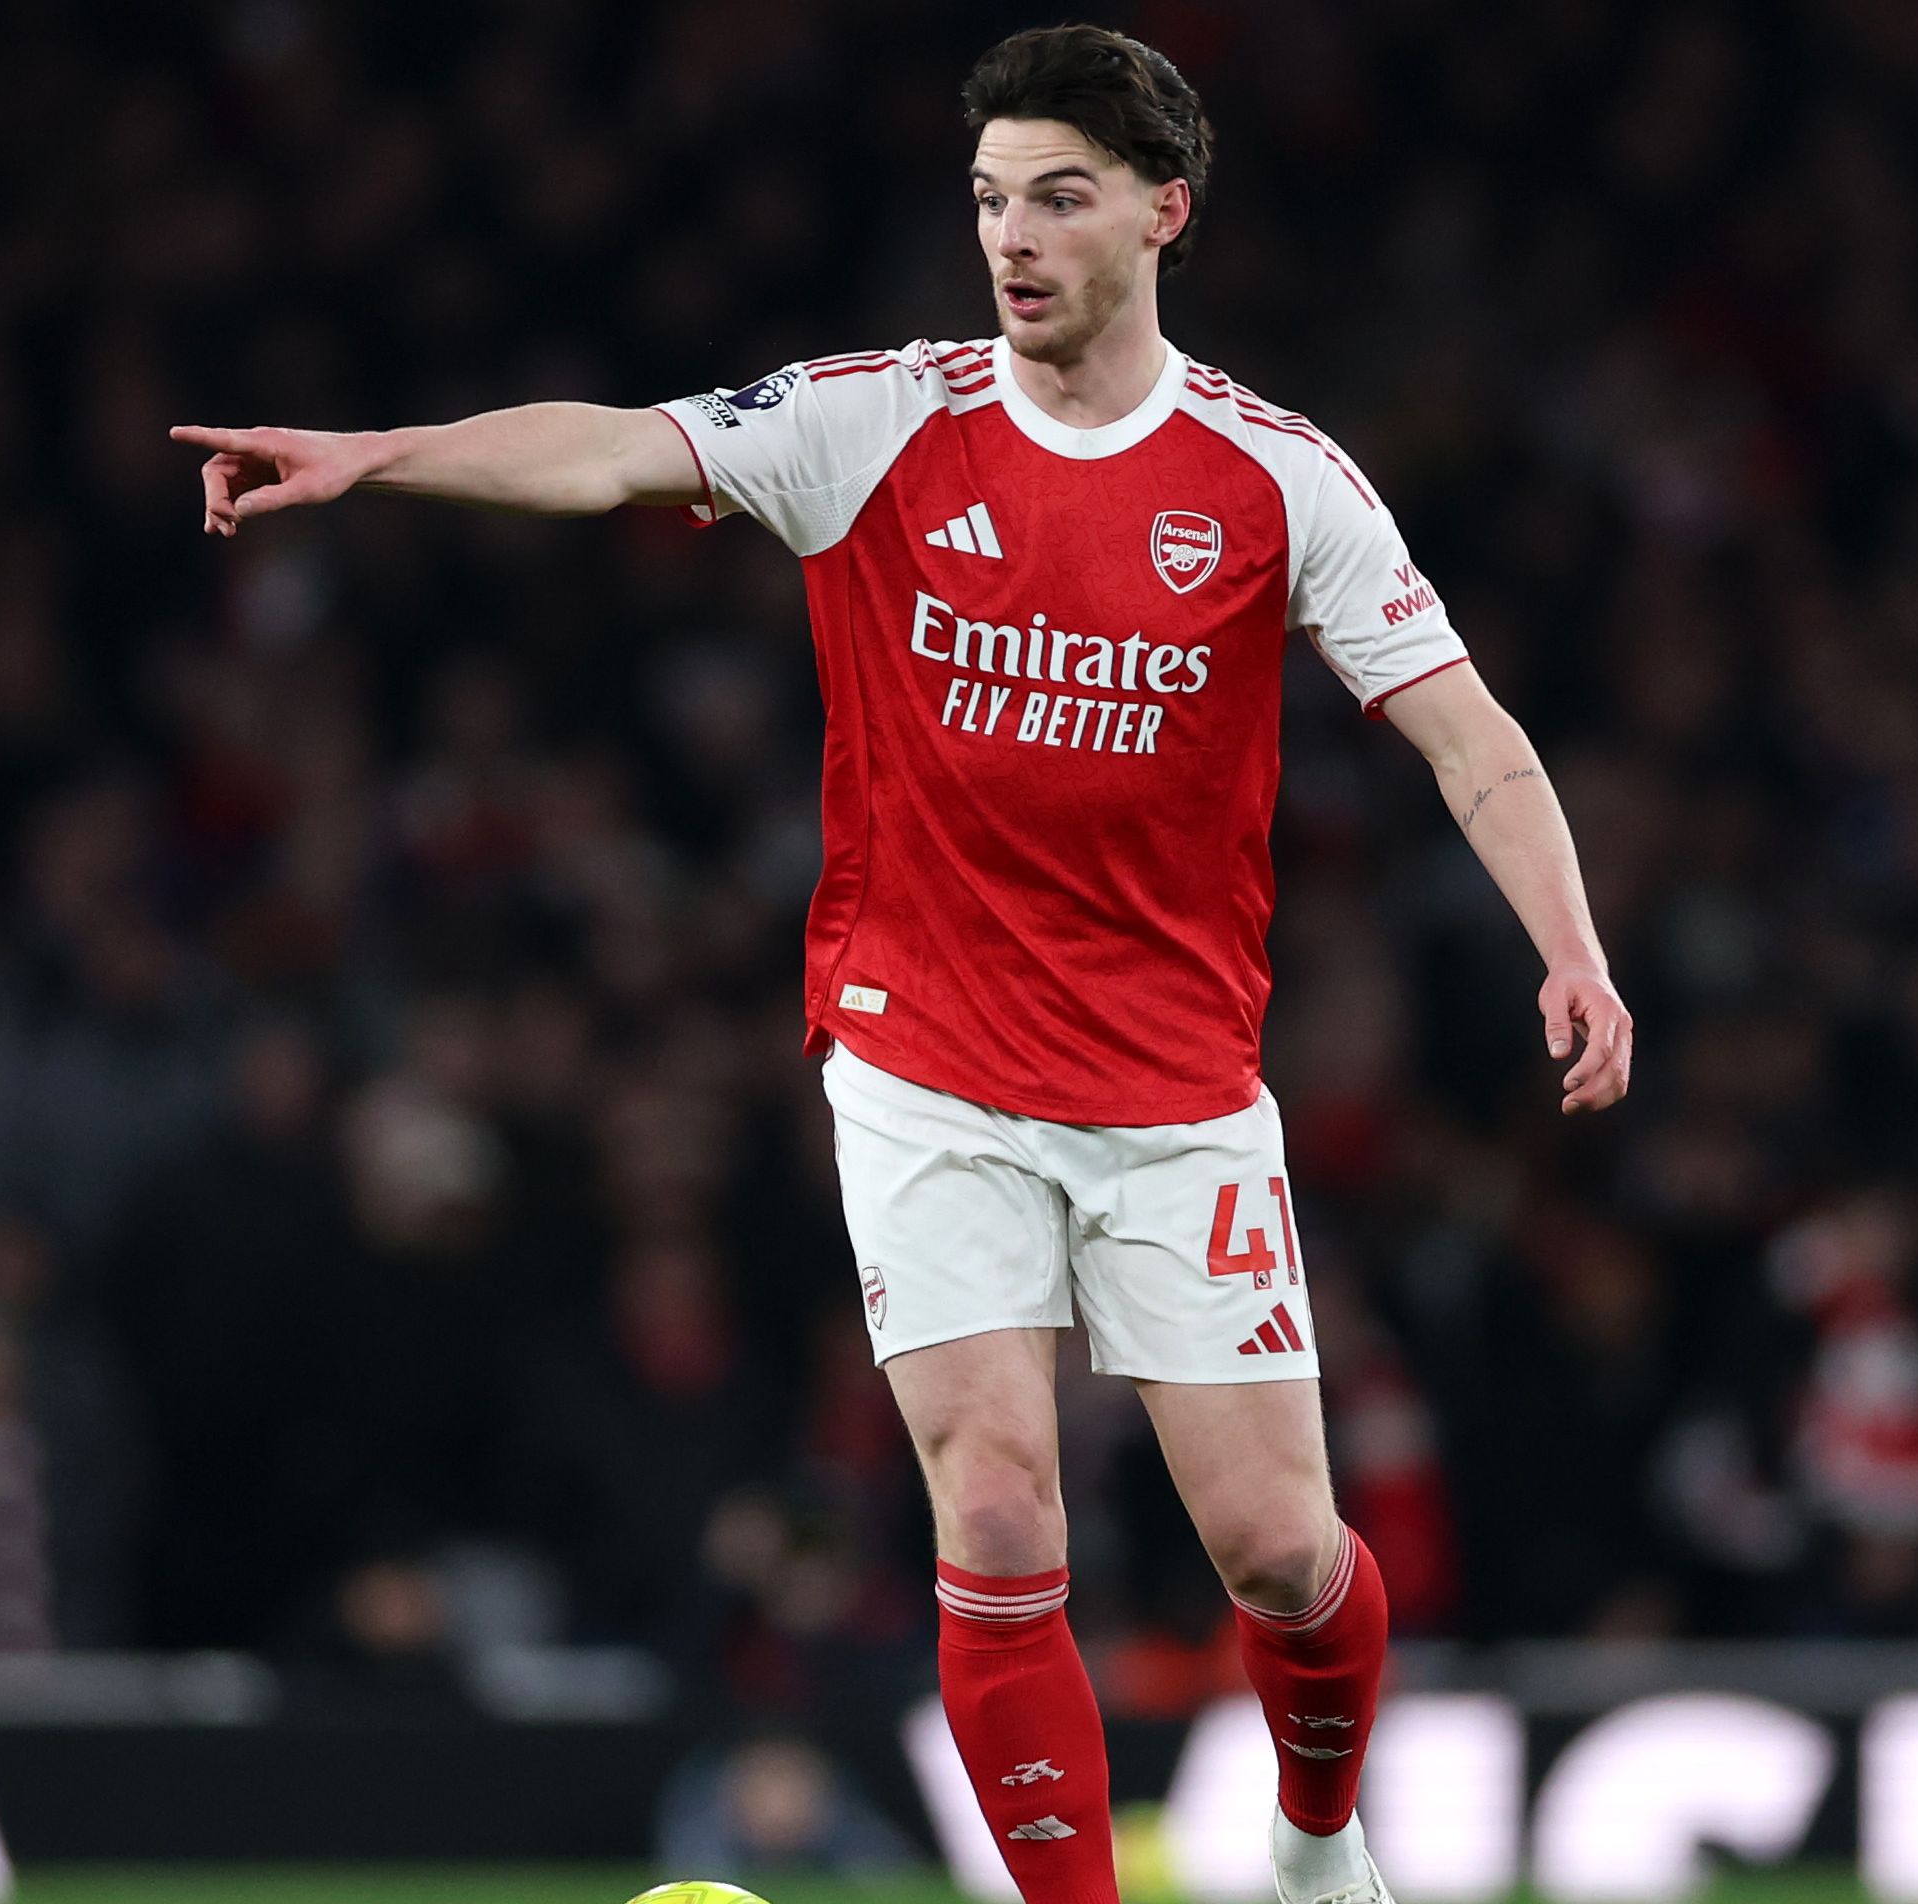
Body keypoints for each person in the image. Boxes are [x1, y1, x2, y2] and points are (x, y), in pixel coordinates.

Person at [174, 26, 1632, 1904]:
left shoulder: (1278, 480)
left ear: (1165, 212)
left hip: (1176, 1086)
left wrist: (1570, 948)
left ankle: (1316, 1843)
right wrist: (380, 459)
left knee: (1281, 1553)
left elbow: (1472, 739)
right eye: (991, 197)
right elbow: (613, 448)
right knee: (997, 1508)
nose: (1012, 236)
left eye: (1059, 197)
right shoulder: (875, 419)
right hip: (923, 1062)